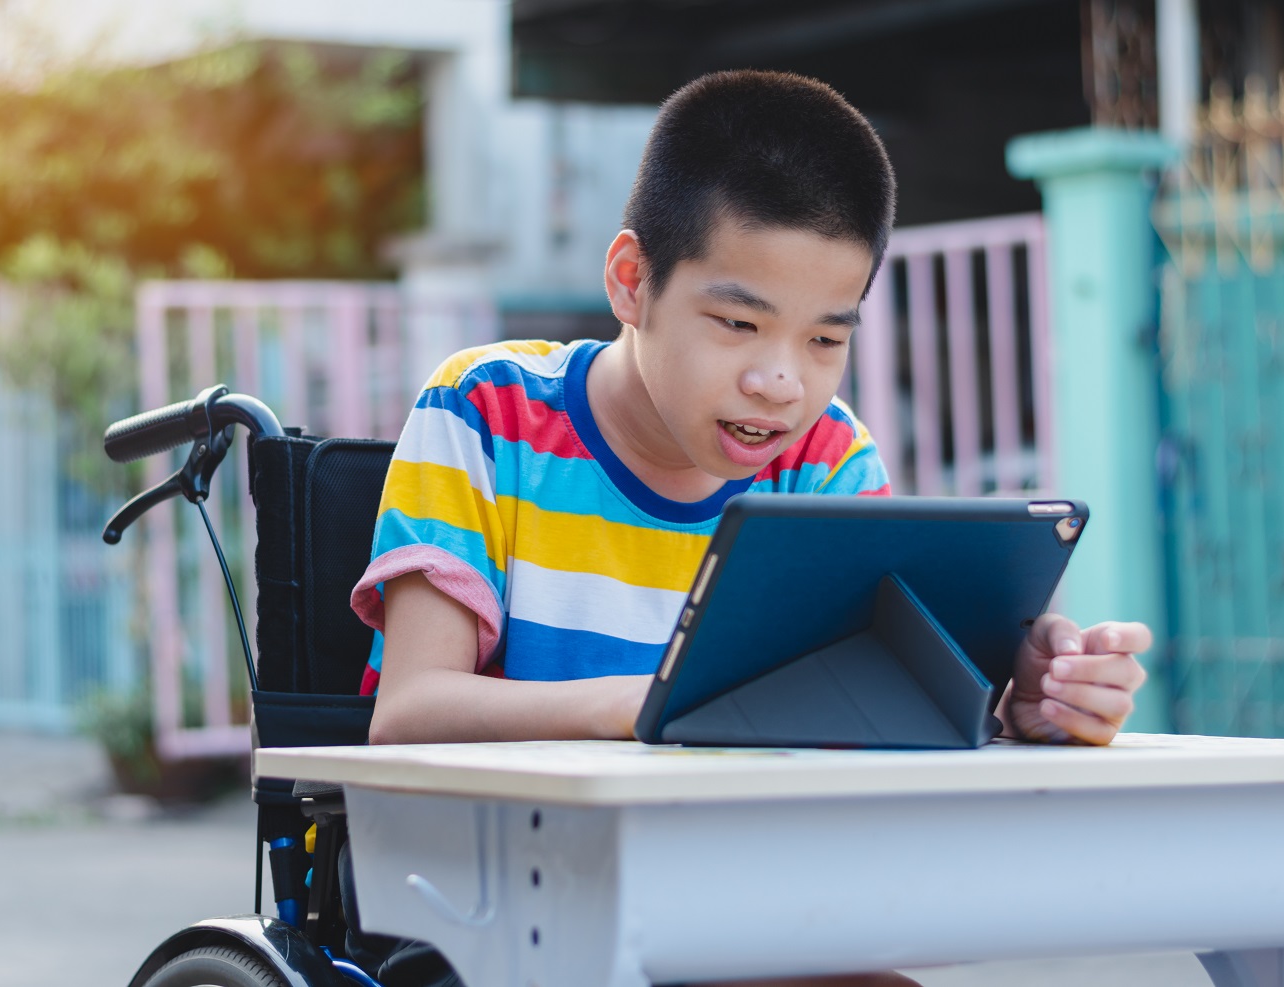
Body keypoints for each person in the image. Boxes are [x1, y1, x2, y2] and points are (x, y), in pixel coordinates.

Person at [344, 69, 1151, 987]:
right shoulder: (486, 412)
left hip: (739, 905)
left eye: (824, 340)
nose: (782, 382)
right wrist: (652, 703)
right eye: (738, 322)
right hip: (505, 911)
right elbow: (408, 711)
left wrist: (1025, 700)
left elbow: (880, 706)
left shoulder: (828, 460)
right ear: (631, 280)